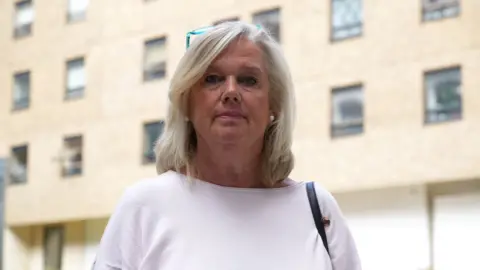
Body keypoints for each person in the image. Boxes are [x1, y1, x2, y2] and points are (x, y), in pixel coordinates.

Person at [93, 21, 361, 270]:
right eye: (212, 79)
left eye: (249, 80)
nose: (231, 91)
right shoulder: (142, 207)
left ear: (274, 105)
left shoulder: (317, 210)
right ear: (186, 101)